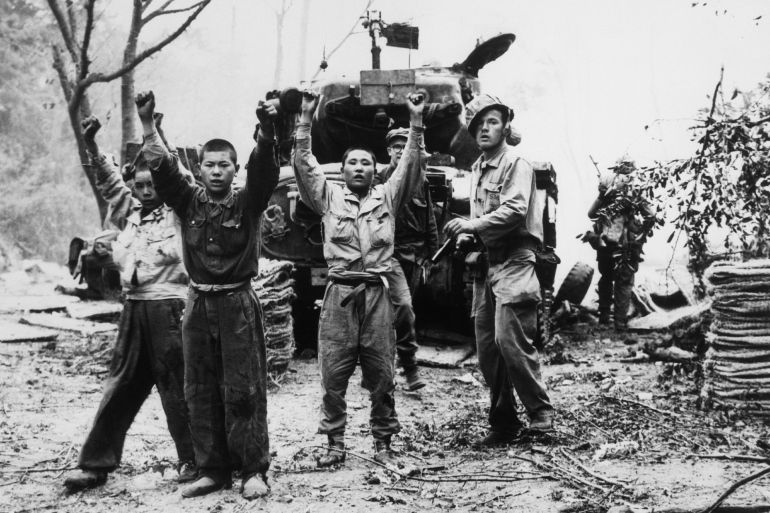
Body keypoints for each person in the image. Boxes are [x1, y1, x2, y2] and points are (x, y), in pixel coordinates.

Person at [136, 90, 279, 499]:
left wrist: (267, 132)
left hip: (238, 304)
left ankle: (253, 470)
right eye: (210, 165)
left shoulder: (248, 203)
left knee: (244, 387)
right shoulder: (186, 200)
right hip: (197, 304)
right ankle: (211, 469)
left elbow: (266, 171)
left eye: (225, 166)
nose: (217, 172)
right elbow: (163, 169)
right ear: (199, 169)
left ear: (235, 170)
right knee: (198, 387)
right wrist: (147, 123)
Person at [292, 91, 425, 468]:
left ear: (374, 169)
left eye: (366, 162)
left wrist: (416, 122)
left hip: (378, 296)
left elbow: (410, 166)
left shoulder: (387, 197)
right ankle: (334, 443)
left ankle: (384, 442)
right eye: (352, 162)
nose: (359, 168)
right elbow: (304, 166)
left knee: (382, 374)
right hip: (339, 296)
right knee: (333, 374)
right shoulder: (328, 198)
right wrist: (304, 119)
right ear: (344, 170)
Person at [63, 115, 195, 492]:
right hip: (134, 311)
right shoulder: (131, 214)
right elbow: (108, 182)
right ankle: (94, 464)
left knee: (180, 388)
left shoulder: (181, 212)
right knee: (119, 385)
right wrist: (91, 144)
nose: (145, 190)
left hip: (170, 309)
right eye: (139, 185)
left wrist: (155, 134)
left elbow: (179, 176)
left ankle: (197, 461)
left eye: (152, 184)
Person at [444, 93, 554, 446]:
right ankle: (503, 422)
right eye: (477, 124)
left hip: (515, 262)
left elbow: (515, 211)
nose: (484, 129)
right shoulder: (478, 168)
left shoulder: (515, 163)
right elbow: (483, 221)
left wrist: (471, 227)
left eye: (491, 122)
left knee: (510, 340)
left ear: (506, 126)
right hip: (486, 267)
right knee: (488, 348)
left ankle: (541, 414)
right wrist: (469, 238)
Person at [374, 127, 439, 392]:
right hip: (386, 252)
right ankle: (409, 367)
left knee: (401, 312)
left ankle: (389, 367)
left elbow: (429, 218)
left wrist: (431, 254)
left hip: (413, 252)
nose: (401, 151)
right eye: (396, 147)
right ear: (388, 150)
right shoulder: (378, 178)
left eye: (405, 146)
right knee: (401, 307)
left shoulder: (418, 180)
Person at [585, 158, 655, 331]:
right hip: (627, 245)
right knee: (623, 282)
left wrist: (603, 196)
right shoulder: (636, 191)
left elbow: (591, 214)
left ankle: (603, 319)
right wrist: (641, 234)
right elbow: (651, 216)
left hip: (606, 244)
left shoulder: (608, 188)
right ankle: (620, 323)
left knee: (607, 279)